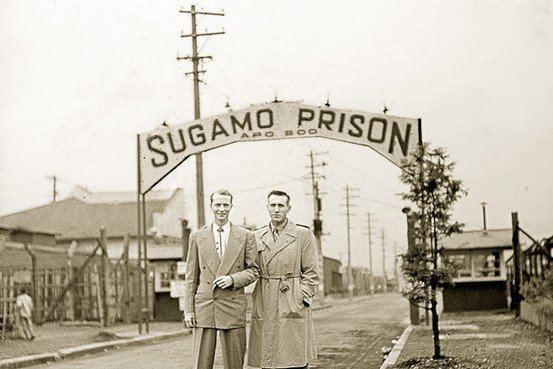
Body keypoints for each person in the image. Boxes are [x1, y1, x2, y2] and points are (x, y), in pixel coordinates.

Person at [184, 189, 259, 369]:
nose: (222, 209)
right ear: (211, 206)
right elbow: (191, 277)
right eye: (218, 205)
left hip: (232, 304)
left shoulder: (246, 236)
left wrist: (233, 279)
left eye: (226, 205)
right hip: (205, 305)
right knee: (202, 362)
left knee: (234, 363)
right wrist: (189, 310)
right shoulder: (197, 236)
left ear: (231, 207)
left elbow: (254, 270)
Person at [248, 190, 319, 369]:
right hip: (265, 296)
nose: (276, 209)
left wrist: (300, 296)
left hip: (291, 295)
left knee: (293, 358)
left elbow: (312, 273)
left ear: (288, 208)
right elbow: (251, 268)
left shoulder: (302, 234)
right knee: (268, 357)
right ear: (267, 208)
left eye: (281, 205)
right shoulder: (257, 235)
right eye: (273, 205)